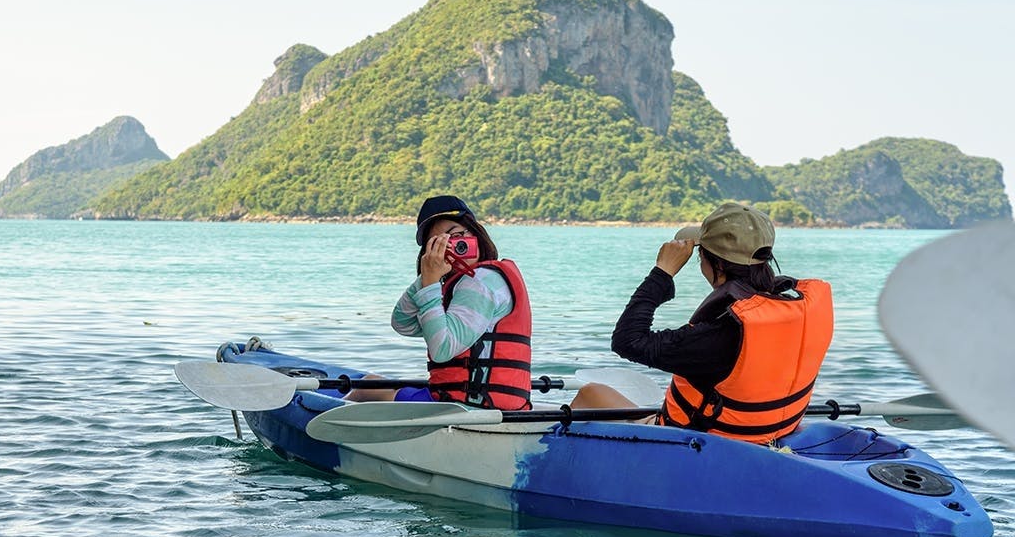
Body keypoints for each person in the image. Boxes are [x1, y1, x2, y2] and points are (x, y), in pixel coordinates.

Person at [570, 202, 833, 443]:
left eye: (700, 255)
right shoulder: (794, 308)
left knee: (592, 393)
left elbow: (628, 341)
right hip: (768, 436)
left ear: (714, 264)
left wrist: (662, 273)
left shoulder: (725, 330)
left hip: (698, 444)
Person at [346, 195, 533, 410]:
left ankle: (316, 422)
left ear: (476, 232)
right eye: (439, 243)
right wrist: (428, 278)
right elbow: (402, 323)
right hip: (492, 406)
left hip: (463, 409)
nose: (452, 246)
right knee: (372, 382)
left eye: (456, 235)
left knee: (368, 386)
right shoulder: (458, 285)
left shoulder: (479, 281)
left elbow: (442, 349)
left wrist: (431, 283)